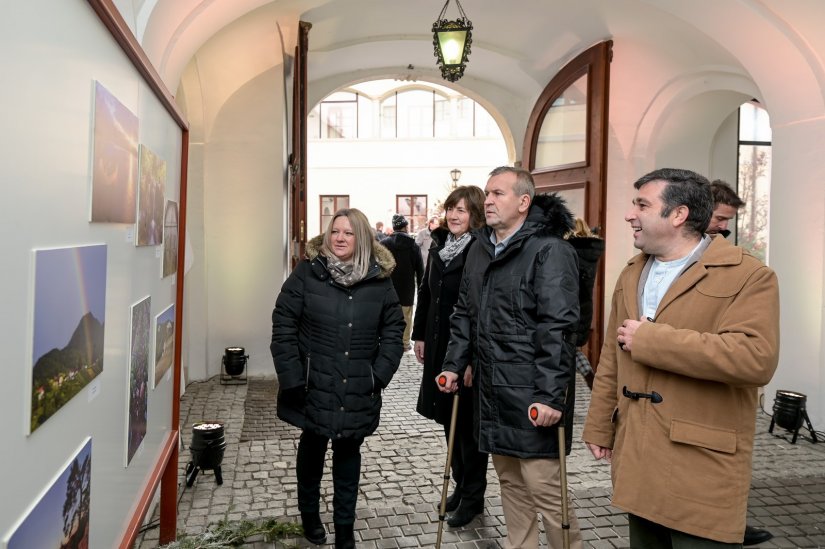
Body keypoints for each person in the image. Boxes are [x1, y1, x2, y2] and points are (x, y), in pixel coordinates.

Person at [582, 168, 780, 548]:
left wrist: (654, 341)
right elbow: (611, 355)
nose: (630, 214)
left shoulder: (749, 276)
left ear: (678, 214)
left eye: (642, 205)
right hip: (638, 457)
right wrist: (599, 426)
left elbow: (756, 358)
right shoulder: (631, 273)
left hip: (699, 464)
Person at [437, 166, 583, 548]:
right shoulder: (480, 249)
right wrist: (454, 364)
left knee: (547, 492)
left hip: (533, 396)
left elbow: (559, 329)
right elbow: (464, 313)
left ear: (523, 202)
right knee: (511, 486)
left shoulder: (550, 250)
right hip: (493, 394)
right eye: (487, 193)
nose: (488, 200)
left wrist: (551, 397)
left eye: (498, 193)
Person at [270, 208, 405, 549]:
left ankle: (345, 528)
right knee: (312, 449)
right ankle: (310, 516)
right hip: (312, 383)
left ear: (362, 239)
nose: (340, 238)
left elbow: (393, 331)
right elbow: (283, 321)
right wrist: (292, 377)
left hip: (358, 383)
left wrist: (379, 375)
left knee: (348, 455)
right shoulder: (308, 273)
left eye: (348, 233)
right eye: (335, 232)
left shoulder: (379, 280)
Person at [411, 186, 489, 528]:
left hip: (465, 350)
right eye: (450, 209)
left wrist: (470, 358)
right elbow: (426, 291)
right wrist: (419, 335)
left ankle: (473, 495)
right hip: (439, 344)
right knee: (448, 418)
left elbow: (481, 309)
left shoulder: (482, 249)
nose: (454, 215)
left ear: (476, 213)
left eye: (462, 210)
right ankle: (460, 485)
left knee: (468, 425)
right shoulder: (441, 246)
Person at [708, 180, 772, 547]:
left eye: (729, 222)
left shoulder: (745, 271)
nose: (724, 229)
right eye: (719, 219)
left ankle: (732, 523)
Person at [565, 218, 605, 390]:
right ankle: (589, 379)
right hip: (581, 319)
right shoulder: (588, 255)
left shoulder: (569, 254)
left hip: (566, 322)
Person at [381, 213, 424, 350]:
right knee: (406, 317)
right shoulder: (413, 245)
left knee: (387, 315)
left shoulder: (384, 244)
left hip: (388, 287)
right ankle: (405, 343)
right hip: (407, 288)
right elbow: (420, 270)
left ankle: (388, 341)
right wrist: (422, 288)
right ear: (405, 227)